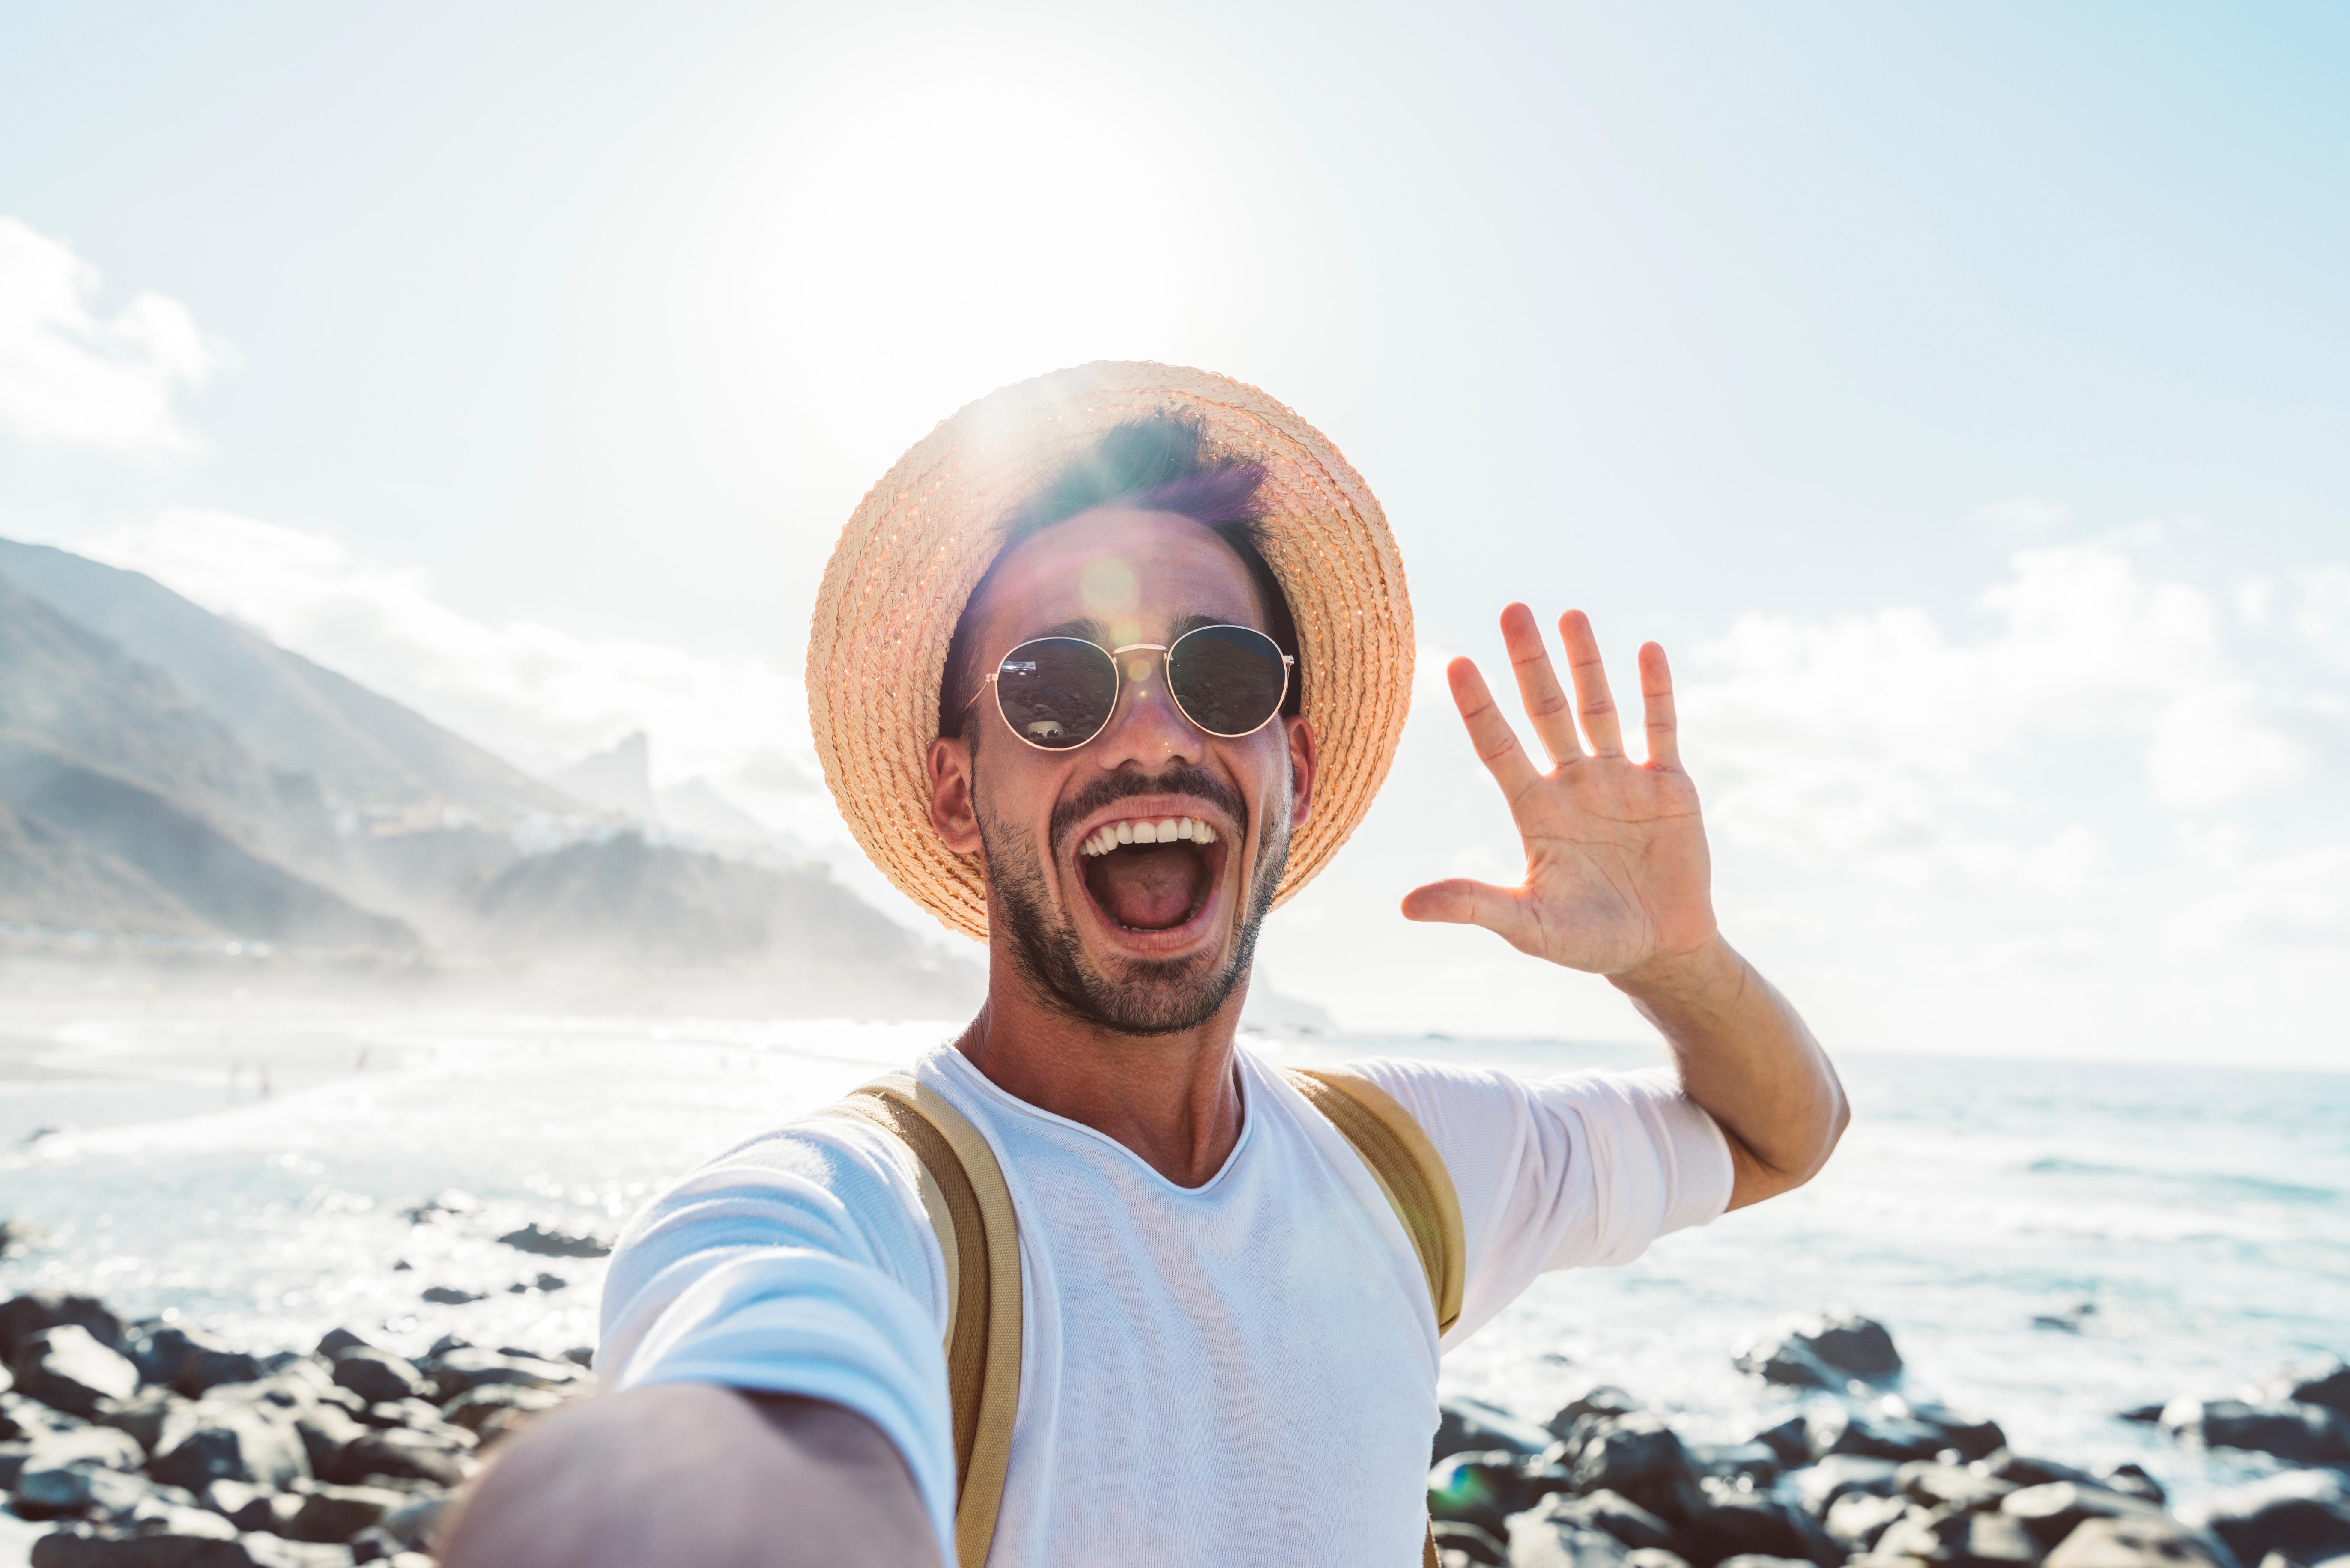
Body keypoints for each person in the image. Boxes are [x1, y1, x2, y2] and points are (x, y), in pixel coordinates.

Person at [439, 363, 1847, 1568]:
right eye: (1056, 688)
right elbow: (735, 1410)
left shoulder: (1410, 1165)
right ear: (953, 791)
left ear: (1289, 759)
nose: (1148, 736)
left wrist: (1681, 962)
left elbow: (1781, 1136)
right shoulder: (851, 1212)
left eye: (1222, 676)